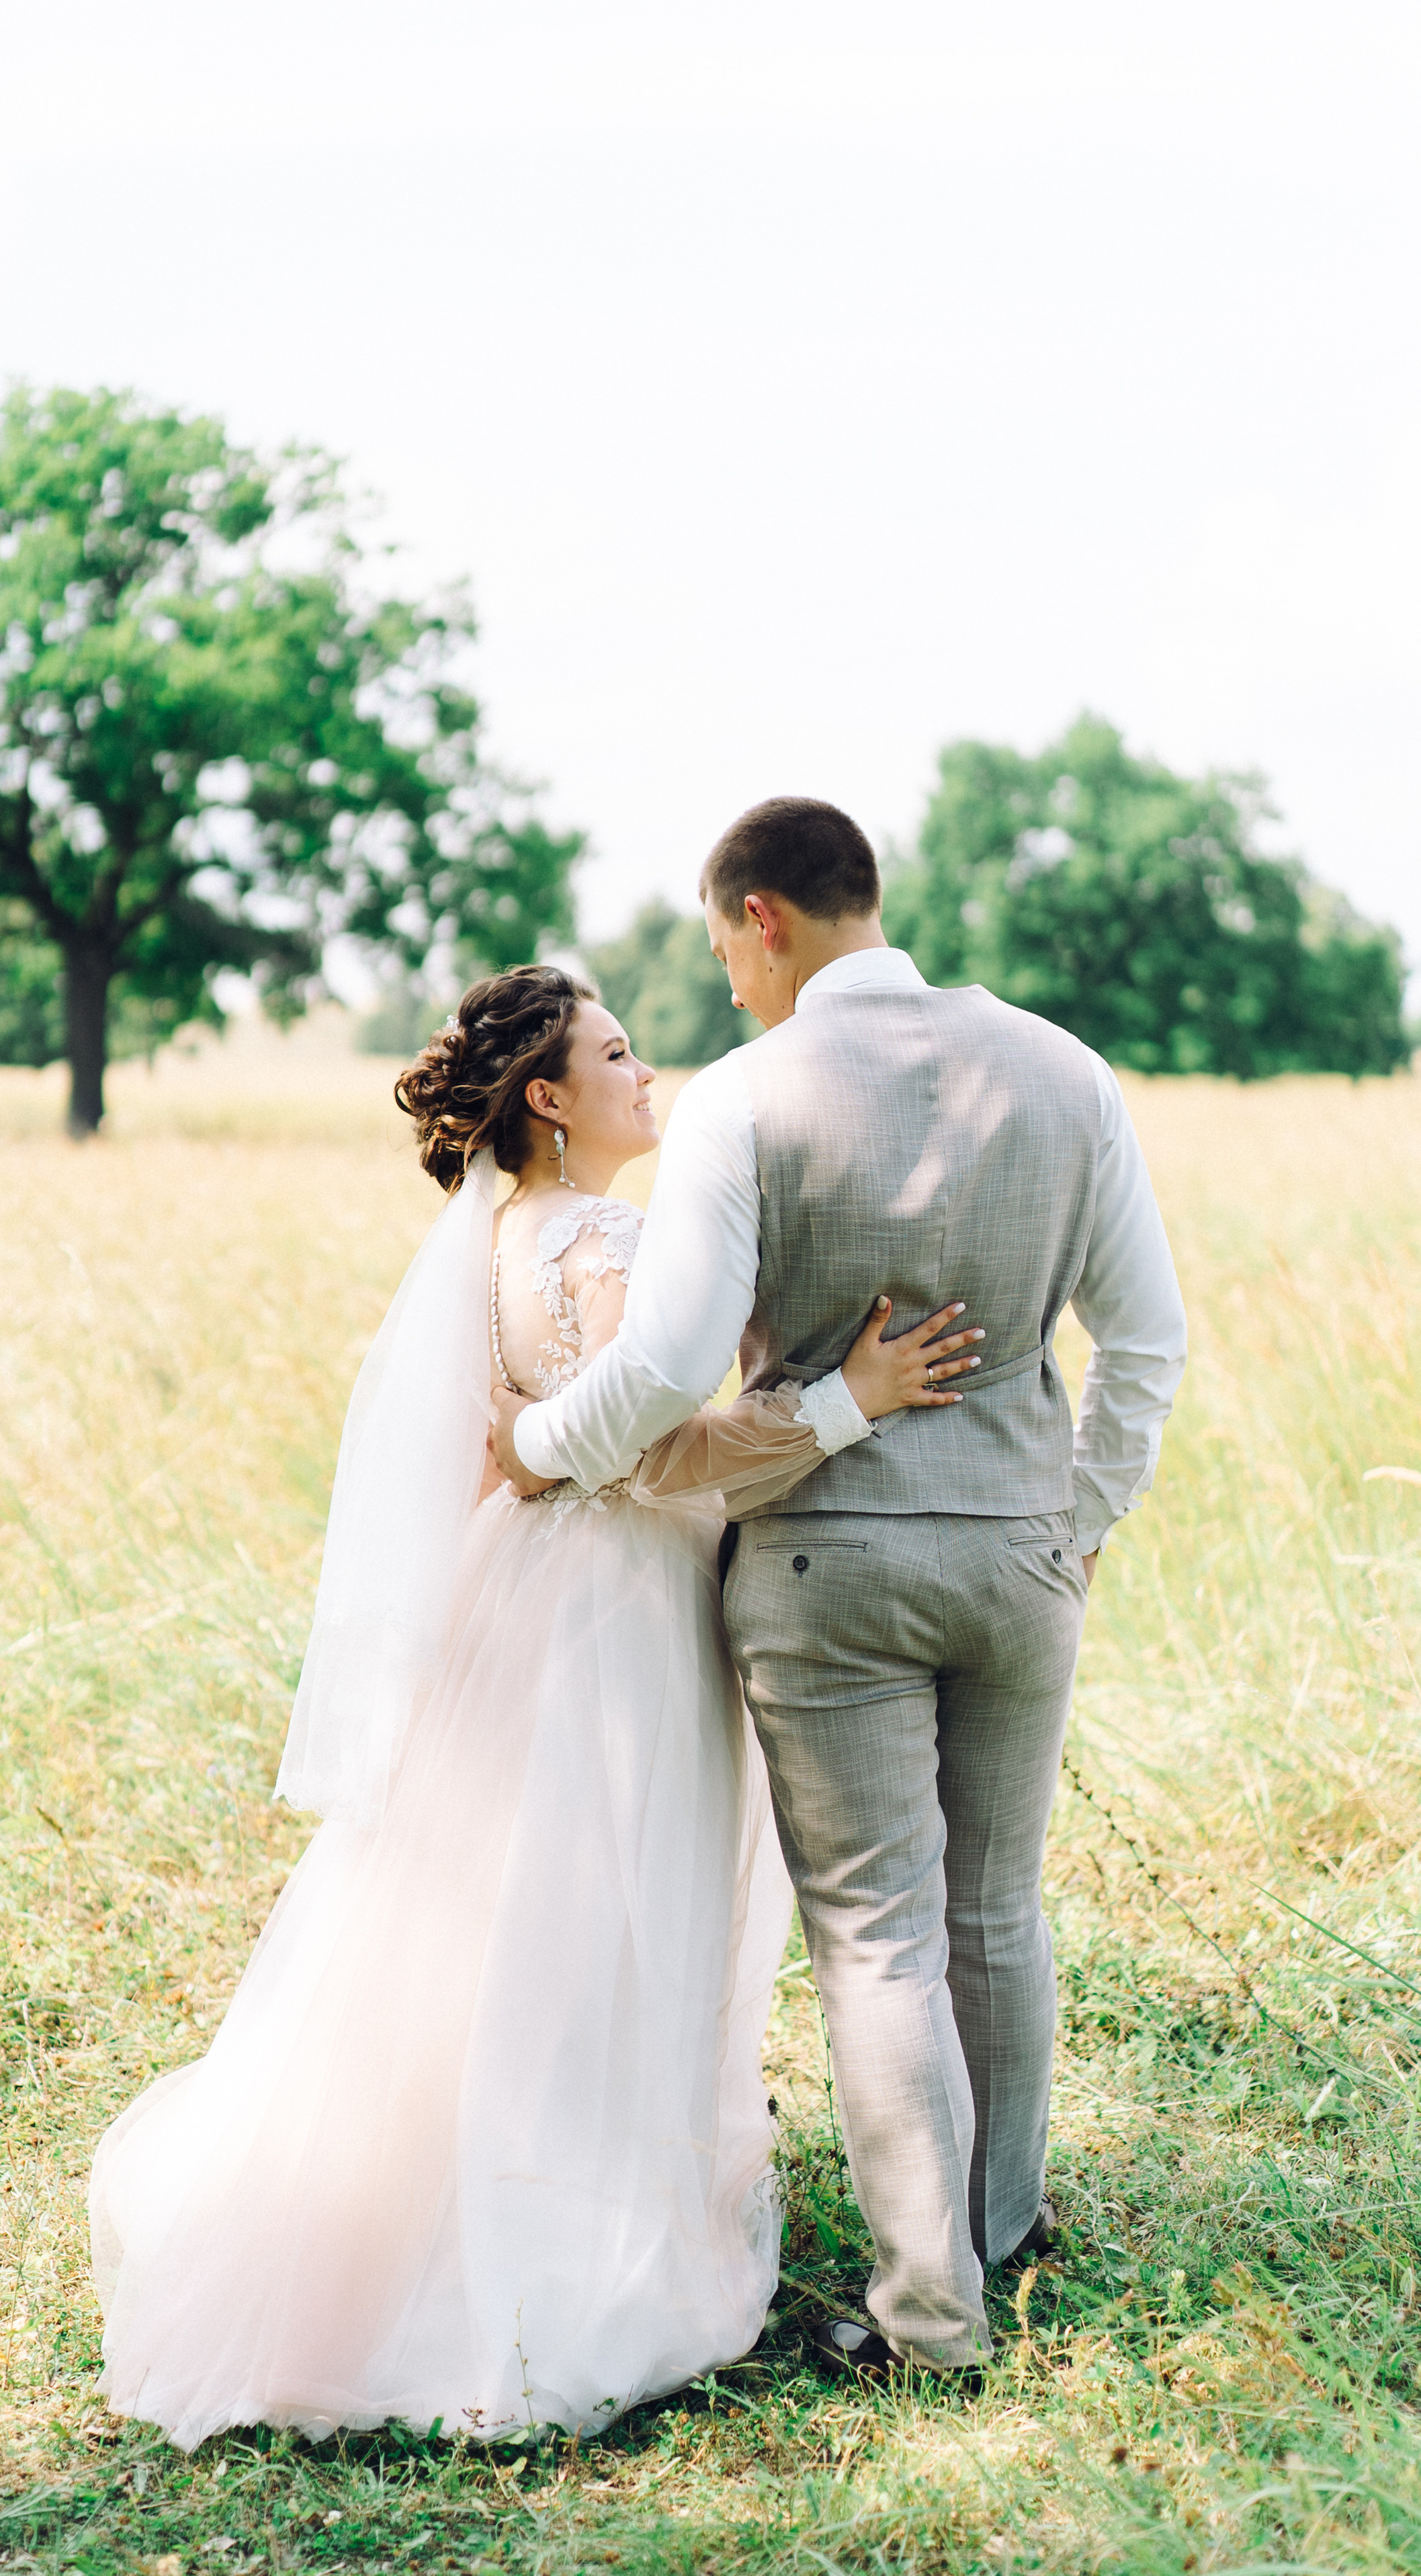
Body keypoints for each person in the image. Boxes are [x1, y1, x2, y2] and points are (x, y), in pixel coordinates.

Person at [89, 964, 980, 2448]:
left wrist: (545, 1448)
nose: (650, 1074)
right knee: (608, 1918)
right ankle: (568, 2251)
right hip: (617, 1614)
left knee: (494, 1926)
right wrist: (852, 1401)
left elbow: (534, 1445)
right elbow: (660, 1451)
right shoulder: (603, 1235)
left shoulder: (504, 1236)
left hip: (519, 1599)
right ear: (550, 1098)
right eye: (616, 1054)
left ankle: (437, 2210)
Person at [493, 798, 1187, 2382]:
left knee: (878, 1937)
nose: (725, 983)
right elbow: (1142, 1344)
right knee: (995, 1909)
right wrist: (1071, 1519)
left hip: (825, 1564)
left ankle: (929, 2318)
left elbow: (667, 1366)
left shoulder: (746, 1099)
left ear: (761, 920)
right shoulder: (1067, 1072)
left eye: (722, 945)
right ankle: (999, 2235)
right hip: (1017, 1555)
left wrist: (538, 1443)